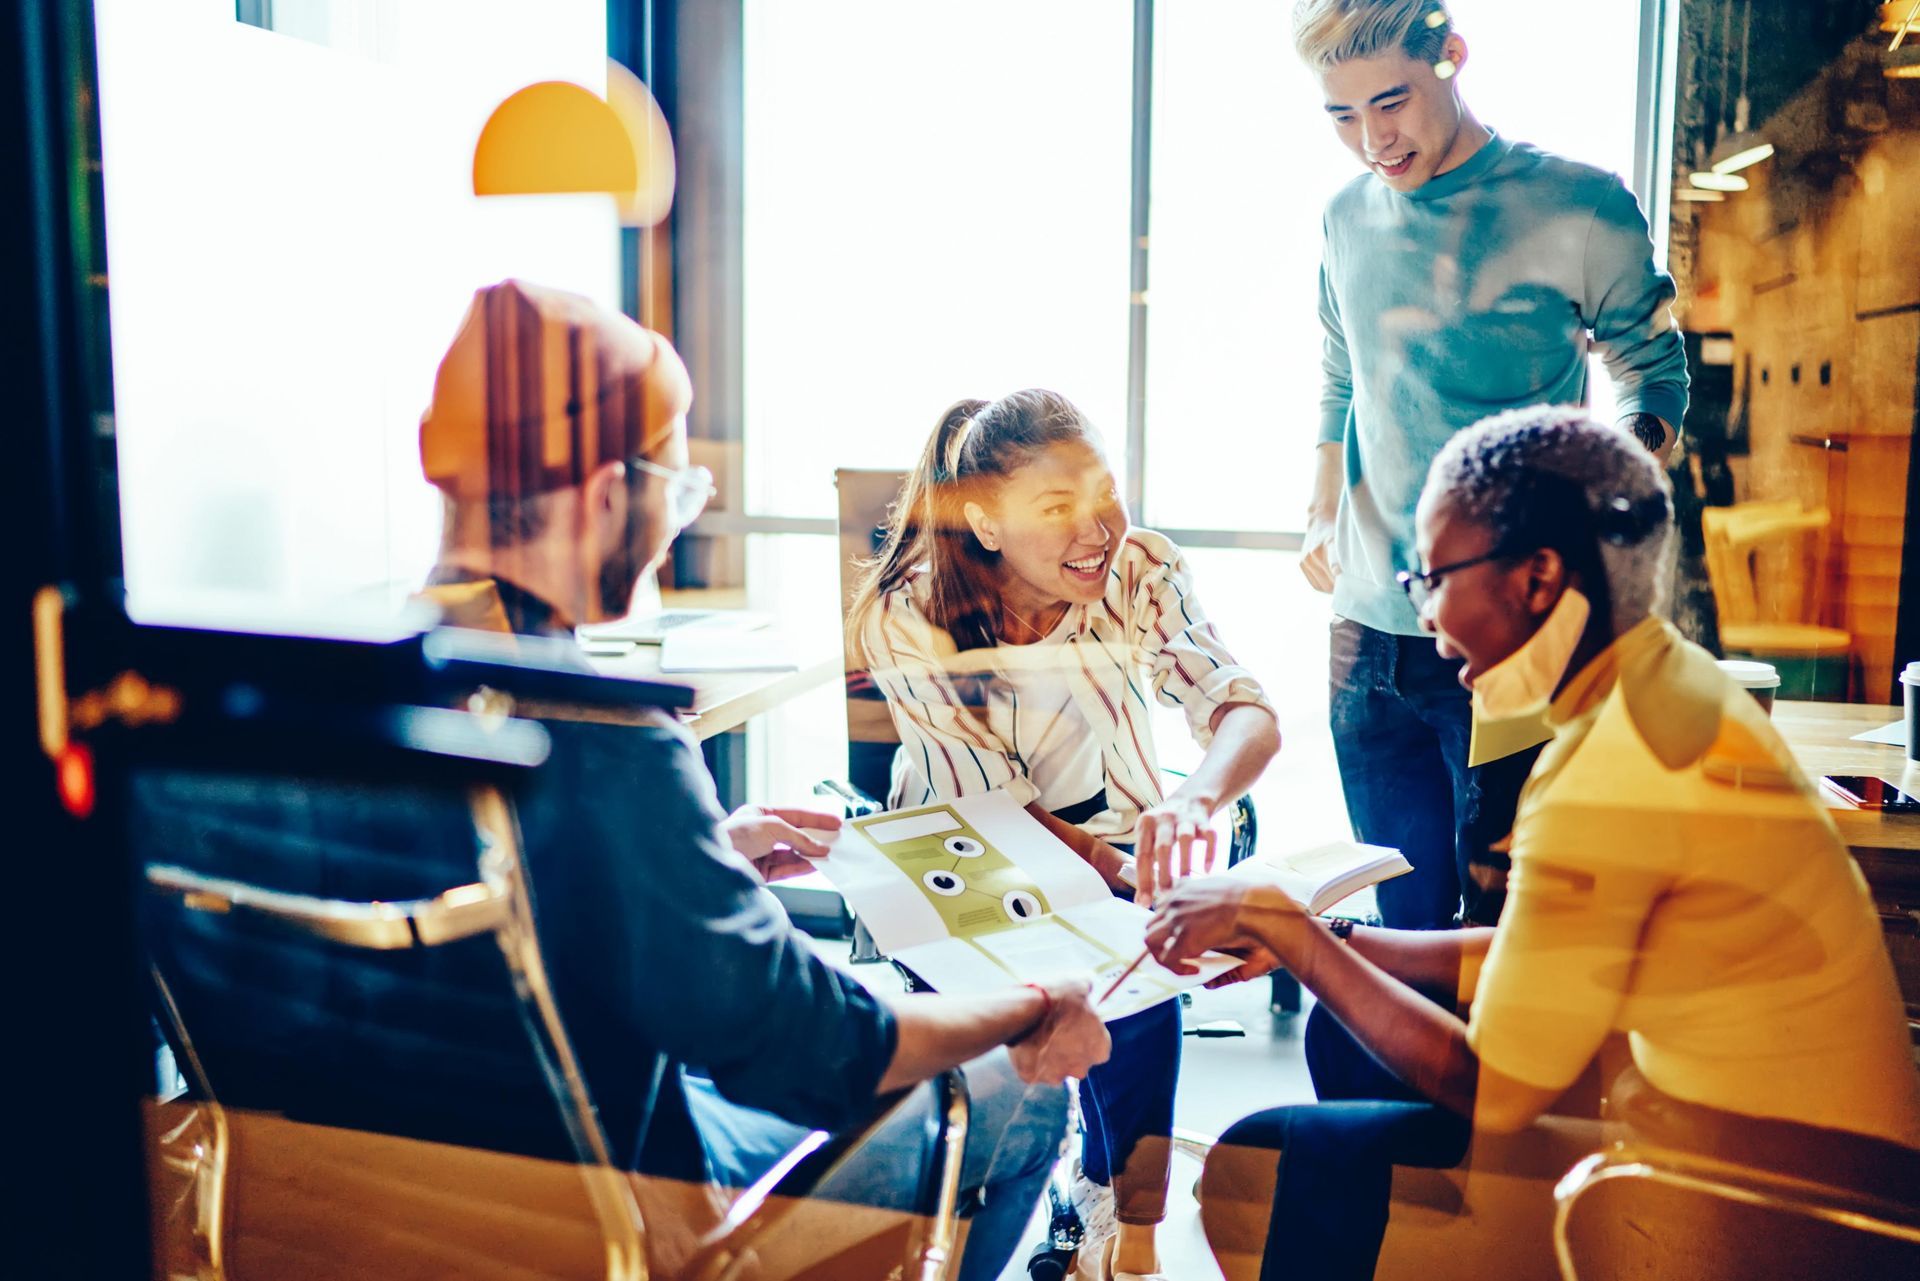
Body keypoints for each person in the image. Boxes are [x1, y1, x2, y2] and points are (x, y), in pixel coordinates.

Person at [412, 279, 1113, 1280]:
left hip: (375, 1208)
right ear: (608, 491)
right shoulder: (605, 738)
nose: (670, 530)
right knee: (1023, 1095)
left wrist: (698, 855)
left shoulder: (325, 695)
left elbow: (480, 901)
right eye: (676, 491)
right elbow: (814, 1049)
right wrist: (1030, 1005)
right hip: (623, 1220)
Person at [1146, 407, 1920, 1281]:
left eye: (1432, 577)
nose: (1426, 614)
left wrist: (1290, 931)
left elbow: (1497, 1088)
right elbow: (1545, 953)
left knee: (1264, 1164)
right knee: (1344, 1035)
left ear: (1540, 576)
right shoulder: (1670, 683)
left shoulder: (1608, 766)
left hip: (1765, 1215)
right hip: (1807, 1167)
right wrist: (1330, 941)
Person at [848, 389, 1282, 1281]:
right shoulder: (910, 610)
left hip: (1116, 826)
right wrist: (1128, 872)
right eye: (1056, 510)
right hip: (959, 849)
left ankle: (1118, 1224)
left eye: (1105, 494)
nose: (1097, 531)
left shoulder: (1143, 568)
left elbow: (1242, 707)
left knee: (1139, 1015)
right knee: (1003, 1075)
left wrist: (1197, 801)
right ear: (986, 521)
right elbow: (1001, 807)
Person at [1294, 0, 1690, 928]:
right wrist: (1321, 513)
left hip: (1507, 633)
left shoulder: (1581, 203)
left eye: (1389, 103)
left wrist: (1600, 490)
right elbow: (1342, 373)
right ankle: (1399, 1084)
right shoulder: (1345, 215)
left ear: (1453, 56)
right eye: (1342, 116)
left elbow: (1653, 370)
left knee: (1501, 931)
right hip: (1365, 632)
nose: (1371, 140)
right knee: (1399, 923)